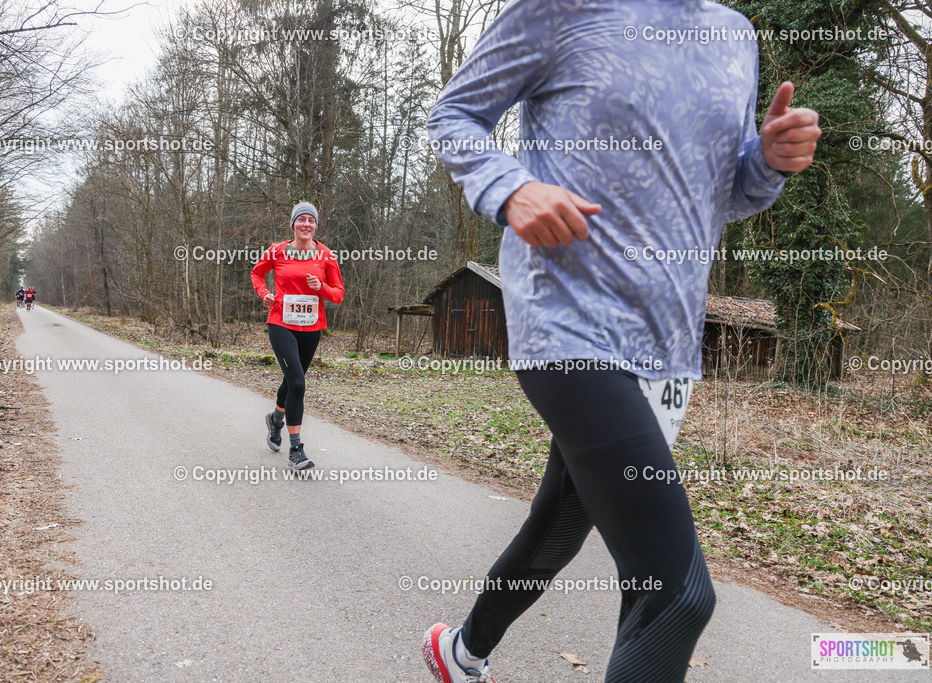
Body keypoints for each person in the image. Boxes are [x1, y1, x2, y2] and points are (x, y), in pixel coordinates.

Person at [421, 1, 821, 681]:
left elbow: (724, 192)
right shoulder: (565, 8)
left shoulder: (735, 33)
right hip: (568, 321)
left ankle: (461, 651)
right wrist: (511, 187)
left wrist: (769, 162)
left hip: (666, 342)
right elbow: (453, 115)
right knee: (676, 593)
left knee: (558, 530)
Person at [250, 202, 344, 471]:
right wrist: (264, 294)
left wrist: (322, 287)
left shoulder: (326, 255)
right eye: (301, 219)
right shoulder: (277, 251)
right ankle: (297, 450)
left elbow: (338, 293)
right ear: (293, 225)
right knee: (298, 382)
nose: (306, 224)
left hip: (312, 328)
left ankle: (276, 419)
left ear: (316, 226)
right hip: (281, 322)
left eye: (311, 221)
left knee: (293, 380)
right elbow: (257, 273)